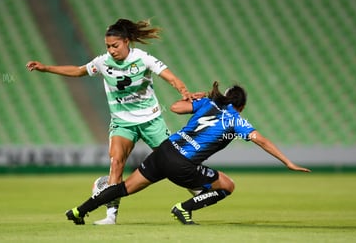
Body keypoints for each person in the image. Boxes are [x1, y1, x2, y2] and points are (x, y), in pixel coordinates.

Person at [65, 81, 311, 225]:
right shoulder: (236, 119)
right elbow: (262, 141)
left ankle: (80, 210)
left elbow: (174, 107)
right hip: (181, 164)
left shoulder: (208, 103)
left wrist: (201, 96)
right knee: (226, 185)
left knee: (124, 188)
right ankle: (184, 208)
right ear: (242, 106)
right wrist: (288, 162)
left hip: (164, 151)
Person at [26, 19, 192, 225]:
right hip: (122, 122)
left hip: (151, 120)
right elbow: (78, 71)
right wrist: (46, 68)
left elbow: (170, 77)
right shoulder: (102, 62)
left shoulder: (143, 58)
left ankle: (200, 192)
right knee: (116, 163)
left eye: (115, 46)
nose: (111, 50)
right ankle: (111, 216)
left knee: (175, 163)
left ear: (127, 41)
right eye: (108, 46)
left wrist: (184, 91)